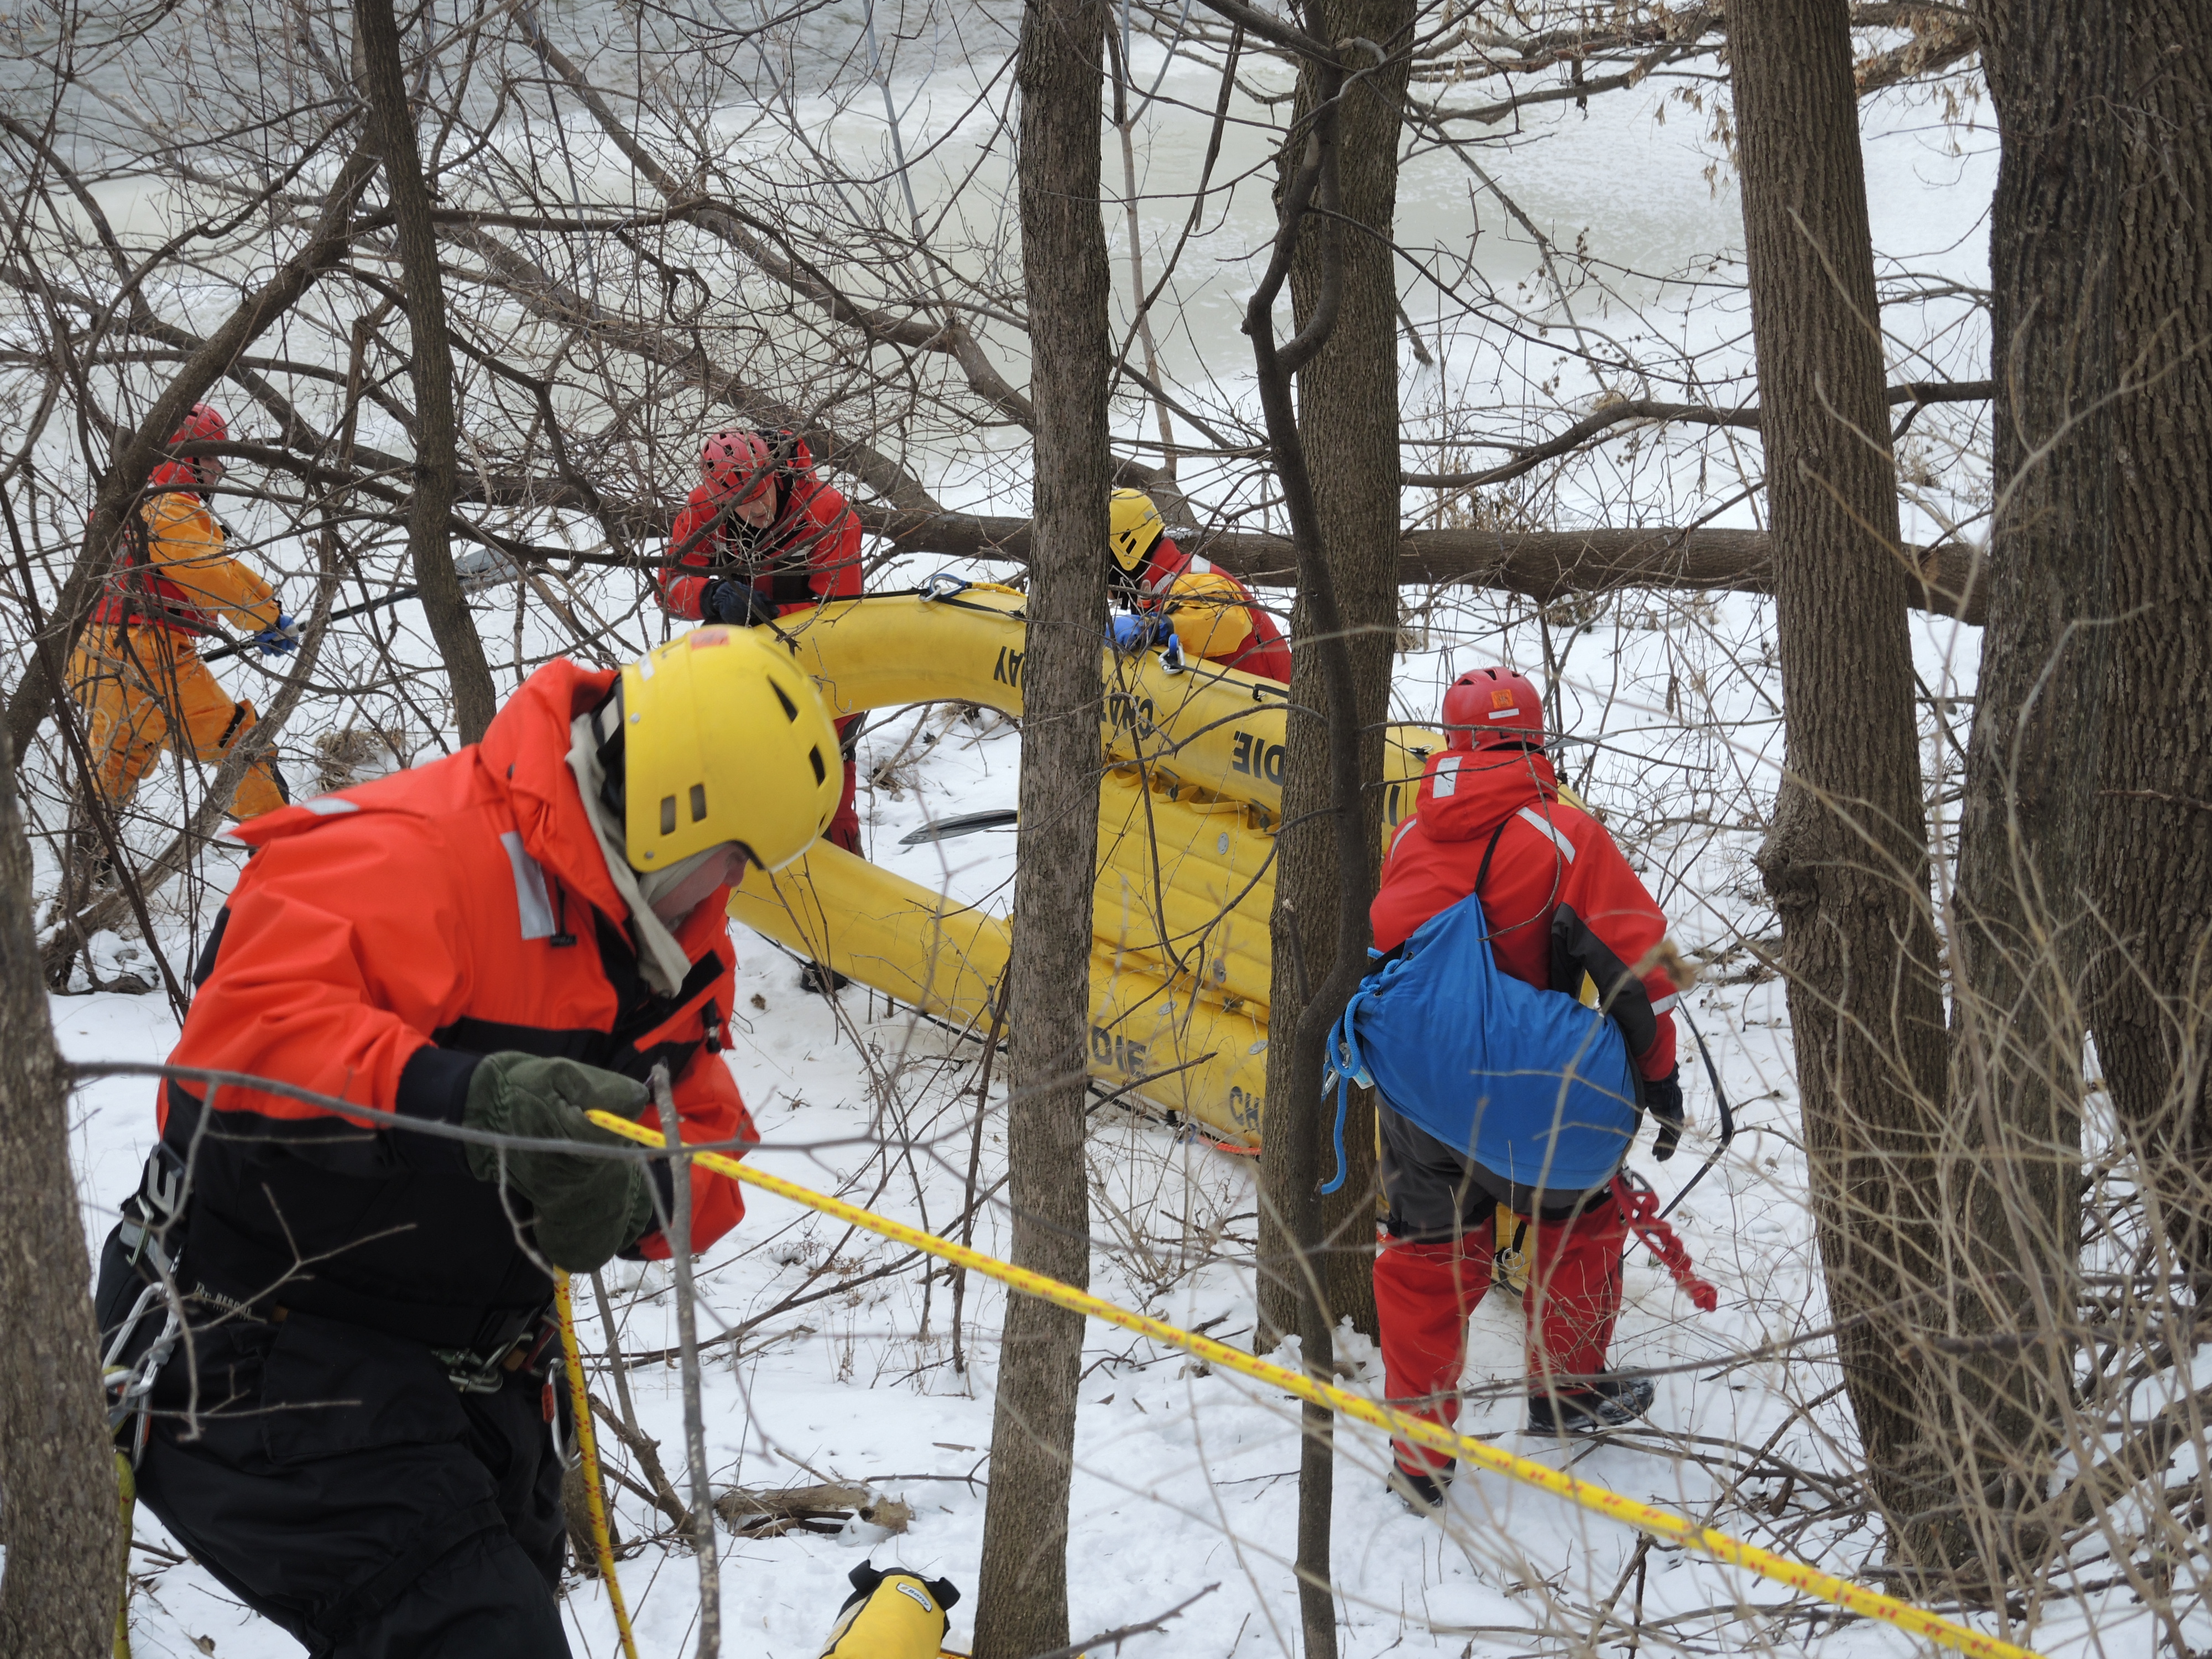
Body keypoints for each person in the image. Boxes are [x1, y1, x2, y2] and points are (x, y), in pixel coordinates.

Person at [94, 625, 846, 1657]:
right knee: (480, 1634)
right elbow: (238, 1063)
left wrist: (633, 1193)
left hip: (464, 1378)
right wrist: (469, 1102)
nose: (731, 885)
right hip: (251, 1343)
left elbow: (708, 1142)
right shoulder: (405, 852)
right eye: (734, 858)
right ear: (685, 815)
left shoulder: (663, 941)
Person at [1367, 666, 1686, 1499]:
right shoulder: (1565, 834)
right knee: (1582, 1215)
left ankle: (1419, 1459)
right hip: (1522, 1084)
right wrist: (1660, 1081)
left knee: (1424, 1257)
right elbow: (1641, 973)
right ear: (1537, 740)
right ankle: (1567, 1394)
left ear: (1452, 742)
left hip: (1412, 1086)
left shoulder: (1411, 832)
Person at [69, 400, 300, 823]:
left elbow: (211, 567)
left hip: (88, 656)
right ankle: (282, 845)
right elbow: (205, 572)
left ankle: (88, 847)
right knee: (242, 745)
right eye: (212, 457)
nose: (220, 470)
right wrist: (264, 619)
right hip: (143, 655)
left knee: (120, 755)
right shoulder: (168, 505)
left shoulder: (123, 501)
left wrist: (267, 612)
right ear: (185, 456)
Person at [657, 427, 864, 856]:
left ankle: (843, 868)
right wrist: (711, 595)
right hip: (741, 676)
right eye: (741, 503)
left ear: (772, 472)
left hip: (822, 672)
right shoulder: (702, 511)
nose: (756, 511)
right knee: (742, 792)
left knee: (828, 785)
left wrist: (767, 617)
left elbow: (838, 613)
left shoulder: (826, 511)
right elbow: (670, 585)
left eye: (760, 494)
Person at [1106, 487, 1293, 683]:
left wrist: (1155, 628)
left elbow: (1227, 621)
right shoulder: (1161, 584)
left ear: (1126, 556)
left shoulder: (1188, 582)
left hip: (1275, 696)